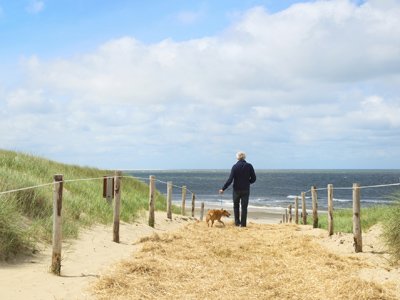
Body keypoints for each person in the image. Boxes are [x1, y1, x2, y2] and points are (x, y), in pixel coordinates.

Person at [219, 151, 256, 227]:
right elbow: (254, 178)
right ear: (244, 157)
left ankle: (237, 223)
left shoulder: (235, 166)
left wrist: (223, 189)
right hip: (246, 189)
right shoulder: (249, 166)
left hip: (236, 190)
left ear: (237, 158)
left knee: (236, 206)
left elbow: (230, 180)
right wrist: (248, 182)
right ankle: (243, 224)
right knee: (244, 207)